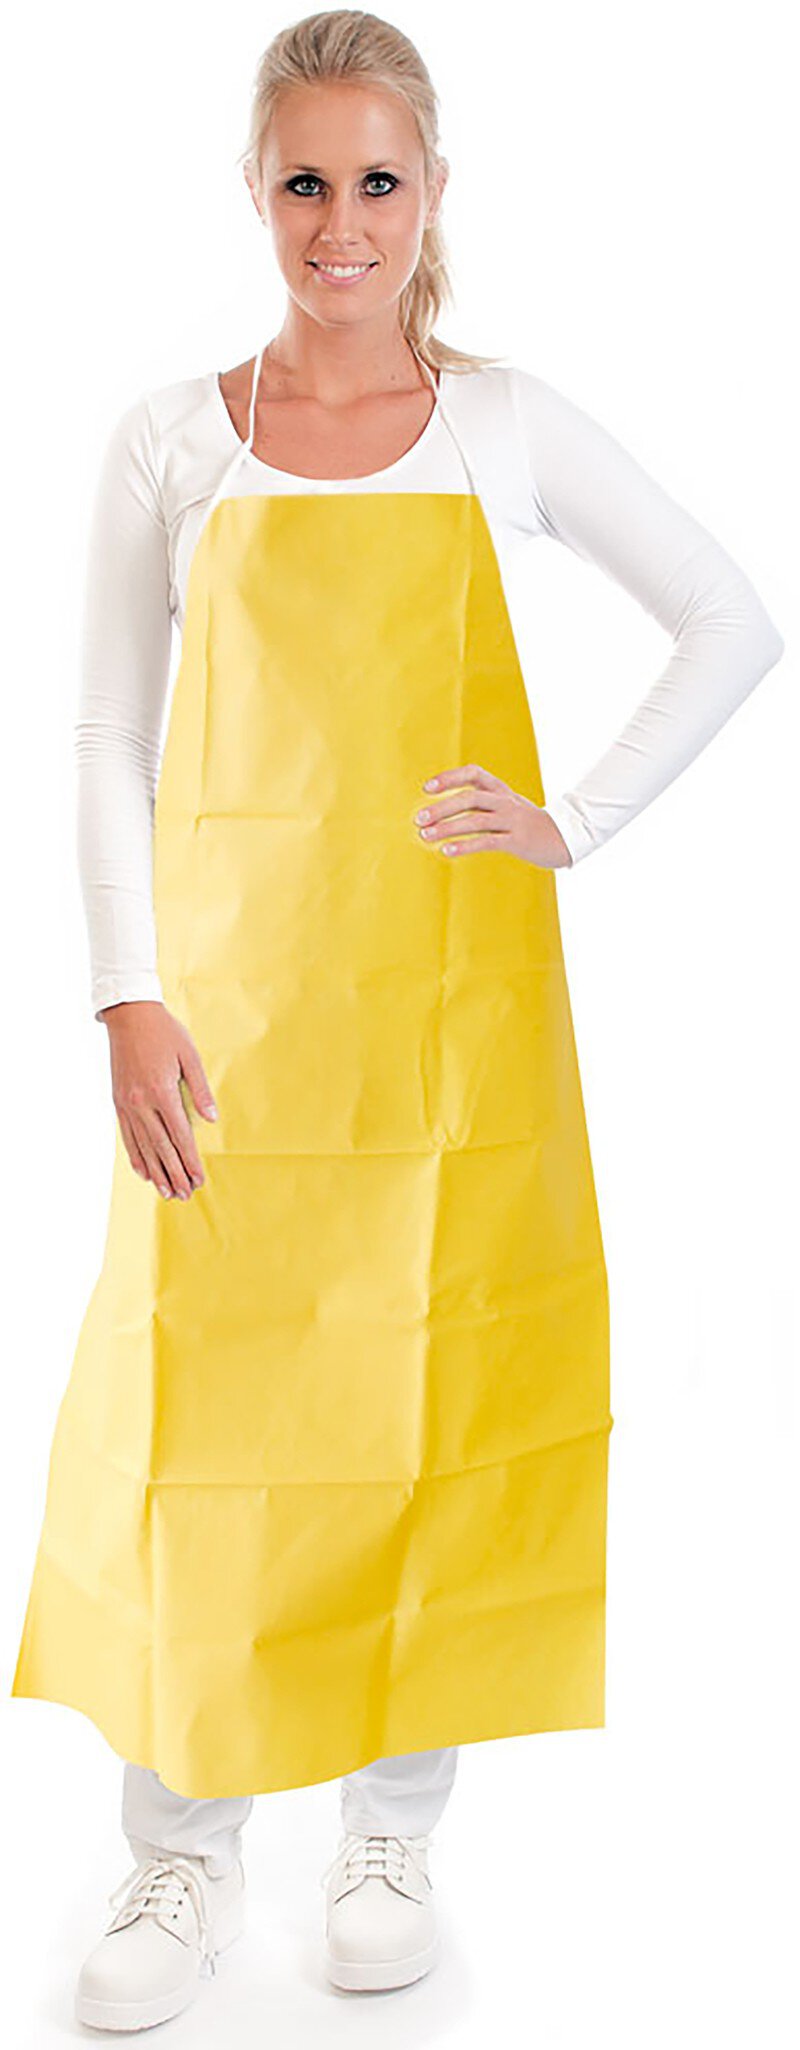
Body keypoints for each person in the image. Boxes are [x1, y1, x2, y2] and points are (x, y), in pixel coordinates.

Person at [10, 8, 784, 2034]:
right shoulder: (172, 440)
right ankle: (182, 1847)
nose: (339, 220)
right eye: (304, 180)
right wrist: (124, 991)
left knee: (427, 1395)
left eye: (376, 179)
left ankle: (388, 1831)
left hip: (448, 1021)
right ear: (252, 194)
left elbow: (732, 613)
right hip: (229, 1017)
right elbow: (100, 729)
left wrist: (574, 819)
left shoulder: (501, 423)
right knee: (206, 1404)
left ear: (433, 194)